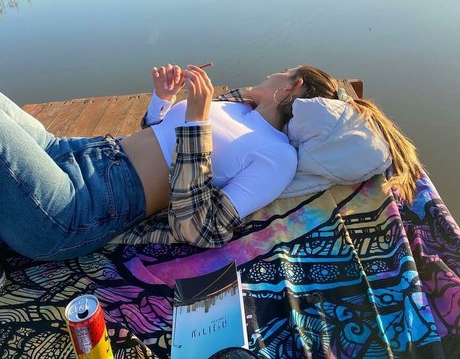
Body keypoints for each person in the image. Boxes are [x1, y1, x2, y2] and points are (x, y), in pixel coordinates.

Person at [0, 64, 423, 262]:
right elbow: (158, 137)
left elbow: (199, 227)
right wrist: (163, 100)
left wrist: (198, 121)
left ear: (292, 87)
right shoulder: (237, 108)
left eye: (281, 72)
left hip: (77, 208)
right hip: (72, 151)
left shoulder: (278, 157)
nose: (269, 72)